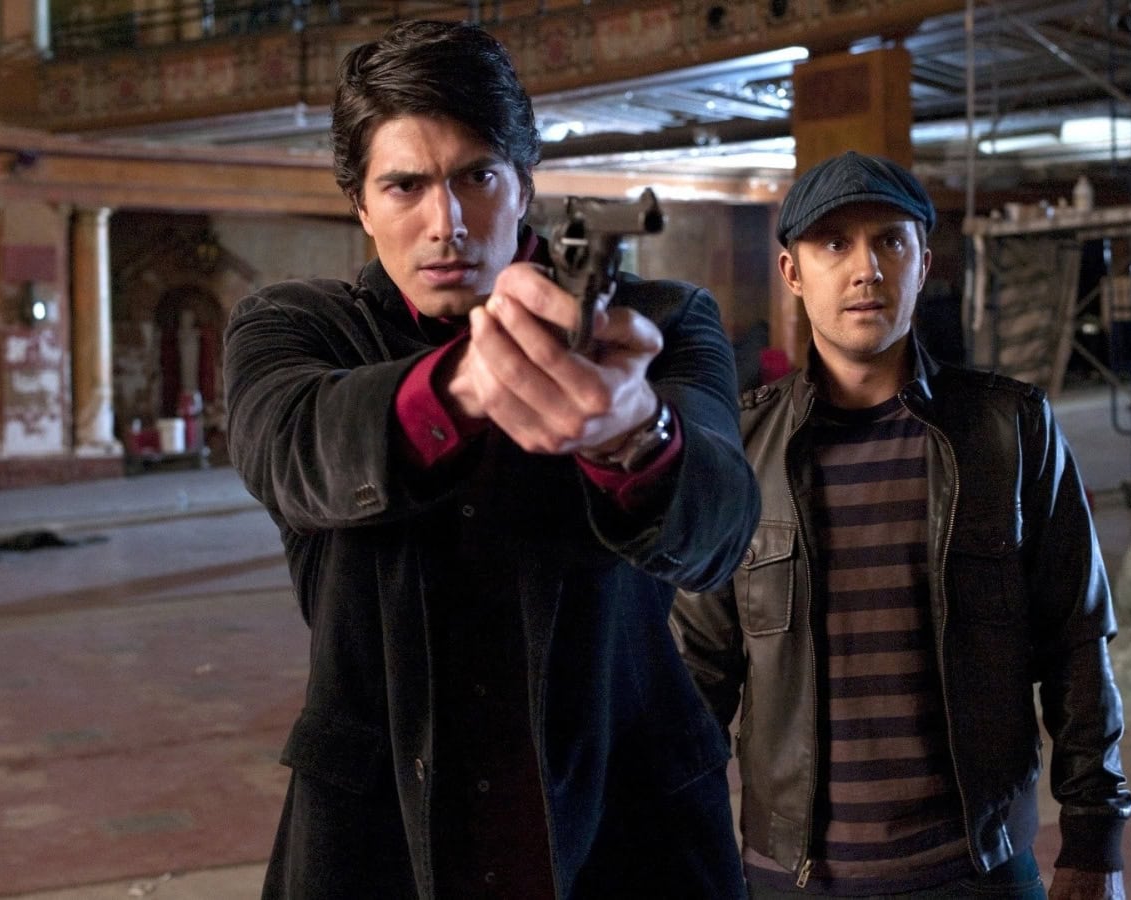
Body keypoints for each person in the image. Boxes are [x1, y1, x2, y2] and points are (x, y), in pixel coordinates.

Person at [223, 19, 760, 900]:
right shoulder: (296, 325)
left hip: (626, 820)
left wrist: (633, 432)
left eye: (477, 177)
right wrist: (467, 383)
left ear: (523, 186)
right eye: (405, 186)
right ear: (360, 205)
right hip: (380, 830)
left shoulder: (661, 320)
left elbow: (721, 530)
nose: (447, 223)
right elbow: (293, 450)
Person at [672, 151, 1131, 900]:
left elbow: (1077, 641)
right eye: (835, 244)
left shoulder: (1010, 430)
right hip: (792, 878)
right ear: (793, 272)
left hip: (978, 871)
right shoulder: (739, 451)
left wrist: (1094, 837)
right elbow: (694, 678)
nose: (866, 269)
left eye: (890, 240)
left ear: (924, 263)